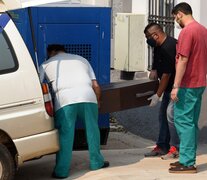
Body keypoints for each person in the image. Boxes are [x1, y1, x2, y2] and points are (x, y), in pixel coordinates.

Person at [39, 44, 109, 179]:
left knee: (65, 135)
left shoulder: (45, 65)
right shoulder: (81, 59)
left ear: (52, 52)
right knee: (93, 130)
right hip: (88, 96)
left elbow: (39, 85)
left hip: (65, 100)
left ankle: (61, 171)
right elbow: (96, 85)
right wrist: (98, 102)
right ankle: (97, 163)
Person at [169, 2, 207, 173]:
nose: (176, 20)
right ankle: (187, 159)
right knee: (190, 123)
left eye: (175, 17)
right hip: (199, 83)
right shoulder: (202, 30)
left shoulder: (187, 32)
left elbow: (183, 60)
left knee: (183, 122)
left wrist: (176, 86)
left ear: (179, 14)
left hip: (187, 84)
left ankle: (188, 162)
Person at [144, 23, 179, 158]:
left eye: (148, 37)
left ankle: (175, 147)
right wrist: (153, 69)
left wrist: (157, 95)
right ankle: (162, 146)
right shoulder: (158, 45)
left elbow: (166, 74)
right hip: (168, 88)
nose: (148, 40)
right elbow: (156, 58)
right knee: (163, 115)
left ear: (155, 35)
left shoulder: (170, 47)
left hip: (177, 88)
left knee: (171, 116)